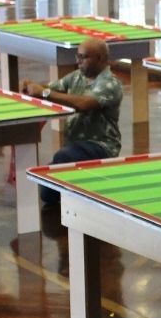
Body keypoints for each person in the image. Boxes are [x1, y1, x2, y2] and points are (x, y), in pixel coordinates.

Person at [20, 37, 124, 208]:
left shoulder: (110, 84)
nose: (78, 61)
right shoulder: (77, 76)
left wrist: (44, 93)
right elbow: (52, 88)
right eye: (77, 56)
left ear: (99, 58)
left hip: (100, 147)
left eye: (83, 57)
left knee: (62, 159)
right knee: (44, 182)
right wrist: (32, 86)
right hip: (75, 146)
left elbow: (83, 104)